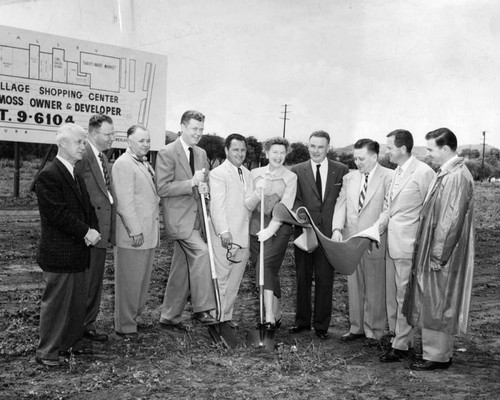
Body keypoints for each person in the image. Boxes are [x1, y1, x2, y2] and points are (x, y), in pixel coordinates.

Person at [404, 128, 474, 371]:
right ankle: (438, 352)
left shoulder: (455, 176)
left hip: (442, 254)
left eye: (431, 149)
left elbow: (450, 220)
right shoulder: (449, 173)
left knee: (436, 302)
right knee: (435, 301)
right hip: (439, 251)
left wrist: (438, 255)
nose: (428, 154)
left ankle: (436, 356)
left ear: (445, 149)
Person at [34, 123, 100, 367]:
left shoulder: (74, 172)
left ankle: (69, 346)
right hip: (59, 253)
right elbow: (57, 214)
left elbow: (87, 208)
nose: (83, 146)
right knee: (57, 305)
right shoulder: (49, 175)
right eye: (79, 142)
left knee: (74, 304)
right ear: (62, 144)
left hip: (77, 251)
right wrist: (86, 231)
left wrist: (94, 229)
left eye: (83, 142)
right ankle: (47, 353)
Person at [156, 110, 216, 329]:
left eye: (201, 129)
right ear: (182, 126)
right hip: (179, 220)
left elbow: (203, 183)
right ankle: (202, 309)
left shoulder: (200, 153)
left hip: (196, 219)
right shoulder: (167, 152)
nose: (198, 133)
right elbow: (162, 188)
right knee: (202, 254)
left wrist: (204, 188)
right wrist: (191, 182)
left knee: (181, 270)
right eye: (194, 128)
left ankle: (169, 316)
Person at [379, 129, 435, 363]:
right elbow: (388, 208)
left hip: (410, 245)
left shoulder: (423, 172)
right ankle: (401, 338)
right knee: (397, 294)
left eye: (389, 147)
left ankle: (401, 345)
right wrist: (375, 229)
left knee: (404, 295)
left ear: (402, 149)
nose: (387, 151)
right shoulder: (395, 173)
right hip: (393, 244)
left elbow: (431, 211)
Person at [332, 139, 392, 347]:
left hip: (375, 240)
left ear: (374, 157)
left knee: (375, 285)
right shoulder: (349, 178)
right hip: (351, 240)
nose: (357, 162)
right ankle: (356, 327)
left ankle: (374, 331)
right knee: (354, 284)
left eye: (361, 158)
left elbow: (388, 208)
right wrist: (337, 229)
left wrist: (375, 230)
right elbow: (341, 205)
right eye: (355, 158)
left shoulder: (389, 177)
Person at [289, 131, 349, 340]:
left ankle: (322, 326)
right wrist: (302, 217)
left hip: (329, 235)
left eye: (320, 147)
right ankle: (302, 321)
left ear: (328, 147)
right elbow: (294, 199)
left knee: (325, 279)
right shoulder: (296, 170)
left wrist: (337, 228)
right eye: (312, 146)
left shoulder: (341, 170)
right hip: (304, 231)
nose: (315, 150)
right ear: (308, 146)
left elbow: (343, 201)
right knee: (302, 278)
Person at [111, 125, 160, 338]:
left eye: (148, 140)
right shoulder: (123, 164)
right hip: (134, 235)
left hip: (148, 234)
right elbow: (124, 202)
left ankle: (134, 318)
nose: (146, 145)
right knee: (129, 282)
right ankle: (125, 325)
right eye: (141, 141)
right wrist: (135, 230)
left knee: (141, 281)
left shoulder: (144, 164)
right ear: (128, 141)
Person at [245, 137, 297, 329]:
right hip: (255, 228)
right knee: (269, 271)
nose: (279, 156)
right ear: (266, 153)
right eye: (274, 152)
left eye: (282, 153)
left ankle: (268, 318)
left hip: (279, 229)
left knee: (264, 266)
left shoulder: (291, 177)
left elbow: (286, 207)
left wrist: (271, 229)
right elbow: (248, 204)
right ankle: (277, 310)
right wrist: (257, 193)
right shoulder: (255, 174)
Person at [74, 114, 115, 342]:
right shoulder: (83, 155)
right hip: (88, 232)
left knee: (95, 282)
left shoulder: (102, 158)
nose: (112, 138)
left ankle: (87, 325)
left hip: (101, 231)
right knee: (85, 283)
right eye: (107, 134)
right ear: (92, 133)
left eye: (112, 134)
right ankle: (77, 330)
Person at [208, 134, 253, 328]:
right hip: (224, 235)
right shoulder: (218, 173)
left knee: (234, 281)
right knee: (221, 278)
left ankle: (226, 316)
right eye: (236, 149)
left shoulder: (248, 174)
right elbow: (217, 205)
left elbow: (248, 204)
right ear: (227, 150)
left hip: (242, 234)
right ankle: (216, 316)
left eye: (243, 150)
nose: (240, 153)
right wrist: (224, 231)